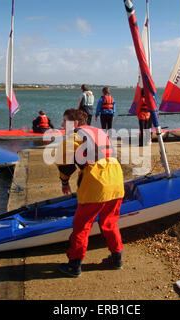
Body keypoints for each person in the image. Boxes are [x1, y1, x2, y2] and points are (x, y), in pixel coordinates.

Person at [56, 109, 125, 277]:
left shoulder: (73, 136)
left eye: (65, 122)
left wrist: (64, 182)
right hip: (116, 179)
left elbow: (64, 163)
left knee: (82, 226)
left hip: (96, 182)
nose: (62, 125)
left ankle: (74, 266)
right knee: (109, 222)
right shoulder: (100, 131)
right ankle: (117, 259)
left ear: (76, 123)